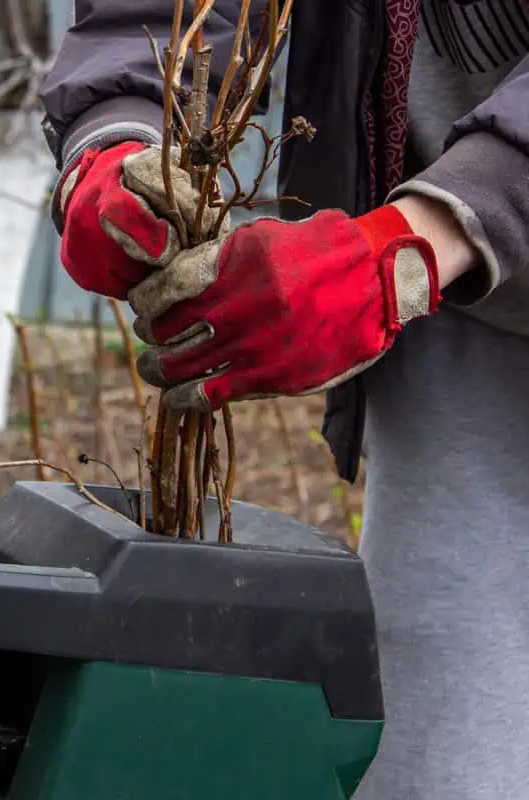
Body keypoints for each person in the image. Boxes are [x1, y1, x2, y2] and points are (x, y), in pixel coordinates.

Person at [39, 1, 529, 797]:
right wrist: (115, 134)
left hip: (458, 229)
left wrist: (421, 240)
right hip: (470, 299)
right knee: (438, 757)